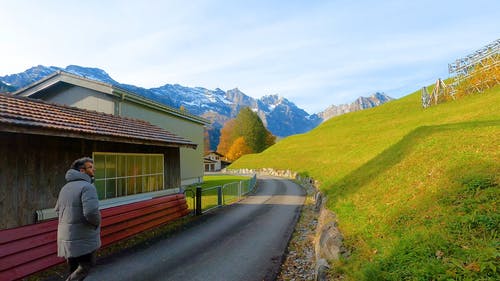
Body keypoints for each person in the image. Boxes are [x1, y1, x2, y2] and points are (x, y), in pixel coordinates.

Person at [55, 157, 101, 281]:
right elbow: (91, 212)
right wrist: (96, 223)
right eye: (90, 167)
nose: (94, 169)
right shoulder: (88, 187)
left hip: (66, 238)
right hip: (83, 237)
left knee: (73, 268)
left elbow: (58, 210)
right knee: (86, 266)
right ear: (82, 171)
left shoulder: (65, 188)